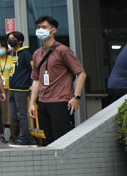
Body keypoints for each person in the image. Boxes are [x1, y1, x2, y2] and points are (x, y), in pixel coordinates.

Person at [29, 16, 86, 145]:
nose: (40, 30)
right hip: (42, 102)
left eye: (44, 27)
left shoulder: (63, 50)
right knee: (47, 140)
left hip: (60, 101)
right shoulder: (37, 53)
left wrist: (76, 97)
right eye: (38, 27)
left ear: (54, 30)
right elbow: (36, 80)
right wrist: (32, 103)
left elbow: (81, 73)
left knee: (61, 140)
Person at [5, 31, 35, 144]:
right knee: (14, 115)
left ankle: (24, 137)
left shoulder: (26, 53)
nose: (10, 41)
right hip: (11, 88)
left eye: (13, 38)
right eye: (9, 39)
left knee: (22, 115)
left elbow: (32, 69)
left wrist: (32, 84)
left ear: (20, 41)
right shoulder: (12, 53)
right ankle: (27, 136)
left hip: (21, 89)